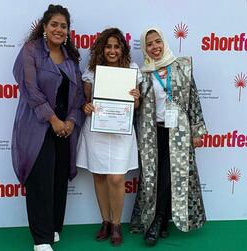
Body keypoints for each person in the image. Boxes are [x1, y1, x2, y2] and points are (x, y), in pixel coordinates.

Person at [11, 4, 84, 251]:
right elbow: (30, 90)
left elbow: (77, 98)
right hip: (38, 124)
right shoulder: (31, 51)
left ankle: (53, 228)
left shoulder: (71, 58)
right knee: (40, 178)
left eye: (63, 26)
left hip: (65, 127)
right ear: (44, 27)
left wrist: (71, 122)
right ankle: (40, 240)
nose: (59, 29)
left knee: (58, 178)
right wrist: (53, 120)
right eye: (54, 24)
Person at [130, 27, 207, 246]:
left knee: (169, 177)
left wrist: (196, 131)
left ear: (164, 42)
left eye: (157, 42)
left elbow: (194, 99)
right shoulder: (144, 73)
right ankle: (162, 222)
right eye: (149, 44)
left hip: (179, 133)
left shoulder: (181, 67)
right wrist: (135, 97)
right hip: (153, 133)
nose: (155, 47)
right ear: (145, 49)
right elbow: (140, 107)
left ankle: (157, 222)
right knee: (153, 177)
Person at [76, 28, 142, 246]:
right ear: (101, 49)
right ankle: (105, 221)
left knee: (116, 178)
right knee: (99, 176)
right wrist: (86, 107)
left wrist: (136, 99)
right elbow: (85, 101)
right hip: (97, 131)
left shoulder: (132, 70)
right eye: (108, 46)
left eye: (116, 46)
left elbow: (137, 105)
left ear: (122, 48)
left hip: (121, 131)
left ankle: (116, 224)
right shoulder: (92, 71)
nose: (112, 51)